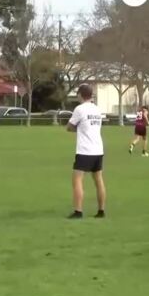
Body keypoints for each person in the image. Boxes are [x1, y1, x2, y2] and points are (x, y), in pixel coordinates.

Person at [67, 84, 106, 219]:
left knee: (77, 180)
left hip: (85, 150)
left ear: (80, 95)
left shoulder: (80, 109)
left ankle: (78, 211)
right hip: (98, 150)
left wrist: (80, 129)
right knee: (98, 180)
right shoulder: (97, 109)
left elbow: (69, 127)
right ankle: (101, 211)